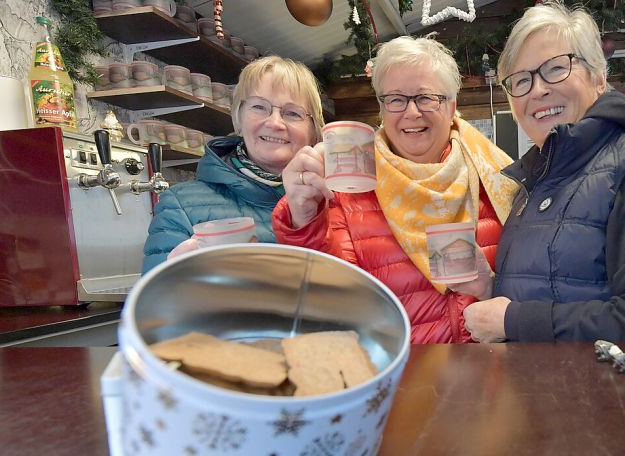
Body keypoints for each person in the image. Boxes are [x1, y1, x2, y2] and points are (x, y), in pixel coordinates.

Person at [460, 1, 625, 343]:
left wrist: (514, 320)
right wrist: (490, 288)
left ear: (599, 77)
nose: (538, 89)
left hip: (602, 395)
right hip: (538, 392)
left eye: (556, 68)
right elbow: (547, 292)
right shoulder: (532, 183)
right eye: (521, 79)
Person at [272, 36, 519, 344]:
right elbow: (328, 296)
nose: (411, 112)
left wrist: (491, 287)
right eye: (396, 99)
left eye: (426, 98)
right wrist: (304, 218)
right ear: (382, 108)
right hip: (405, 378)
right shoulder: (350, 189)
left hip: (493, 373)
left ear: (452, 106)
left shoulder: (497, 178)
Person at [142, 56, 325, 273]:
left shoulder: (338, 202)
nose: (275, 122)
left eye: (292, 113)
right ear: (238, 117)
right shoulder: (180, 204)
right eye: (259, 107)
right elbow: (152, 301)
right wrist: (175, 283)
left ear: (314, 130)